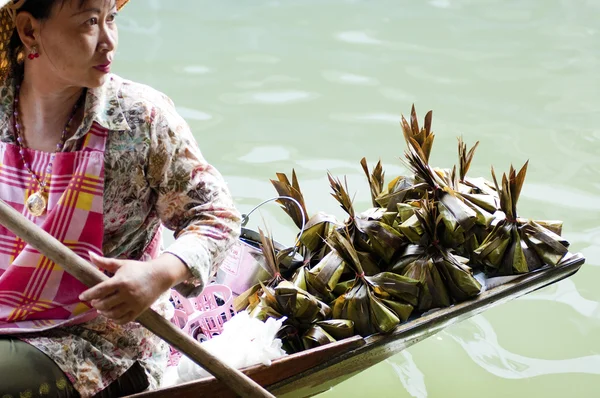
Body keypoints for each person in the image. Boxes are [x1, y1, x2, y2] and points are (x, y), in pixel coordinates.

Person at [0, 0, 241, 396]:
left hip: (93, 345)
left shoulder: (140, 119)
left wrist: (159, 274)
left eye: (111, 18)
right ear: (29, 31)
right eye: (90, 22)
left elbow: (217, 215)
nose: (109, 41)